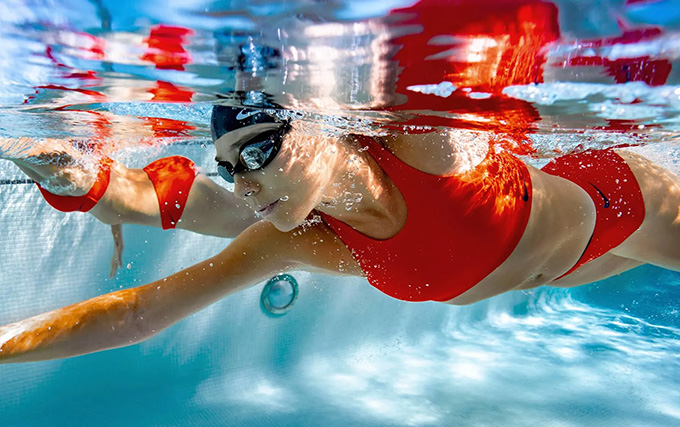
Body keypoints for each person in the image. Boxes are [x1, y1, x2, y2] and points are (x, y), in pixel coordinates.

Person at [2, 104, 680, 364]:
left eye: (258, 153)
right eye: (231, 167)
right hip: (565, 264)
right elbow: (144, 310)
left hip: (624, 203)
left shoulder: (424, 146)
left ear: (319, 123)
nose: (244, 186)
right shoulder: (302, 237)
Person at [1, 137, 258, 277]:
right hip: (170, 197)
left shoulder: (81, 183)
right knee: (259, 220)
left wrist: (117, 240)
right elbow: (113, 198)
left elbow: (118, 195)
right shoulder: (72, 182)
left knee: (14, 146)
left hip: (160, 180)